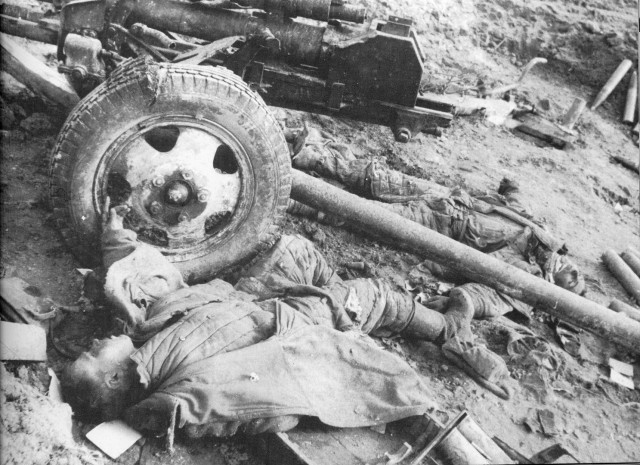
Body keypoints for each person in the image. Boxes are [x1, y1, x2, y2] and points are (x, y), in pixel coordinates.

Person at [62, 206, 510, 449]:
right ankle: (448, 330)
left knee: (297, 249)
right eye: (93, 353)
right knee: (372, 295)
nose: (96, 342)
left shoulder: (140, 335)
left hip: (251, 297)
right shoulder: (185, 393)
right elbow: (265, 407)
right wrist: (335, 332)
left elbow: (136, 281)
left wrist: (116, 237)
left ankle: (344, 299)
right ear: (115, 378)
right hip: (291, 323)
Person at [285, 125, 585, 322]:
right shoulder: (541, 236)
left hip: (436, 226)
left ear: (556, 291)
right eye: (576, 270)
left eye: (571, 280)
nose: (571, 269)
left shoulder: (527, 282)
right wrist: (512, 187)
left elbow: (483, 299)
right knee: (374, 177)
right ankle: (305, 155)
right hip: (449, 198)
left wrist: (458, 302)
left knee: (362, 213)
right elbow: (516, 206)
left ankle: (289, 197)